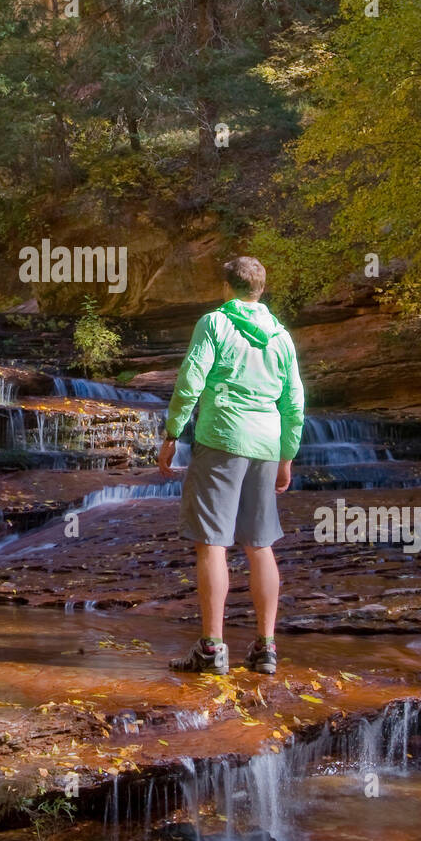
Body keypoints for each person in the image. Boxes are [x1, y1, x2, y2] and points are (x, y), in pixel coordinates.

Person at [157, 255, 304, 676]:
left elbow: (191, 379)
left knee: (213, 543)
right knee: (260, 544)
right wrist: (286, 455)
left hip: (221, 438)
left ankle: (211, 649)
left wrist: (172, 434)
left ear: (227, 287)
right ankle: (266, 648)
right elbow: (294, 402)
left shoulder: (215, 324)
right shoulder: (281, 337)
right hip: (266, 442)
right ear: (261, 290)